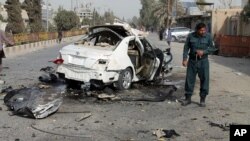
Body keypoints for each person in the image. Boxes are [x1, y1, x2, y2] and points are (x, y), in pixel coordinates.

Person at [182, 23, 217, 107]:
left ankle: (202, 99)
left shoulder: (208, 36)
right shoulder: (191, 36)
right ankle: (188, 98)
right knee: (189, 79)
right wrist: (184, 59)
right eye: (201, 30)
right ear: (197, 30)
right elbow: (186, 47)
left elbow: (213, 48)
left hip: (203, 61)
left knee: (205, 80)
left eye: (204, 30)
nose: (203, 32)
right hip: (192, 61)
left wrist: (204, 52)